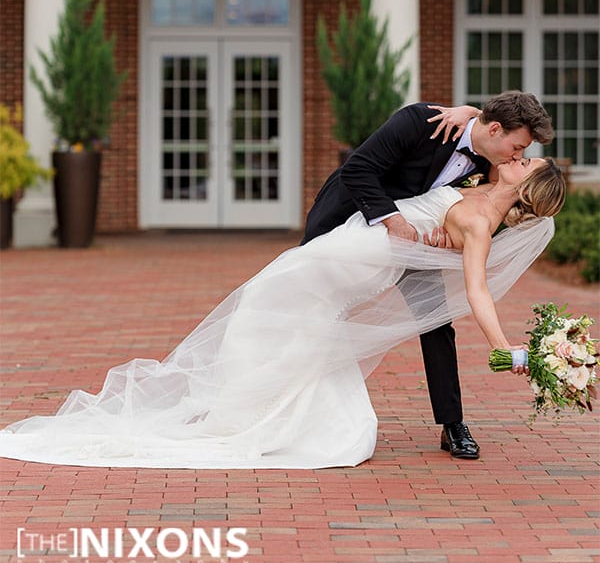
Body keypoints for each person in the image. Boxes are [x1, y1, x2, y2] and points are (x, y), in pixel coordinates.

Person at [0, 155, 564, 470]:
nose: (520, 155)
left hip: (349, 263)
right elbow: (458, 144)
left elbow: (476, 291)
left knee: (262, 311)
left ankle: (236, 417)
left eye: (528, 159)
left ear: (527, 185)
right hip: (344, 251)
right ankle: (245, 411)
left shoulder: (480, 224)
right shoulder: (477, 182)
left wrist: (505, 347)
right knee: (268, 318)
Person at [301, 91, 555, 459]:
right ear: (496, 129)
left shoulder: (493, 168)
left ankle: (452, 425)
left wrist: (448, 242)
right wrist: (394, 222)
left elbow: (474, 221)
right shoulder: (421, 122)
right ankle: (296, 399)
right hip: (351, 218)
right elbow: (358, 170)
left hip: (418, 242)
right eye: (517, 148)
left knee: (437, 324)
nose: (517, 156)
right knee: (316, 309)